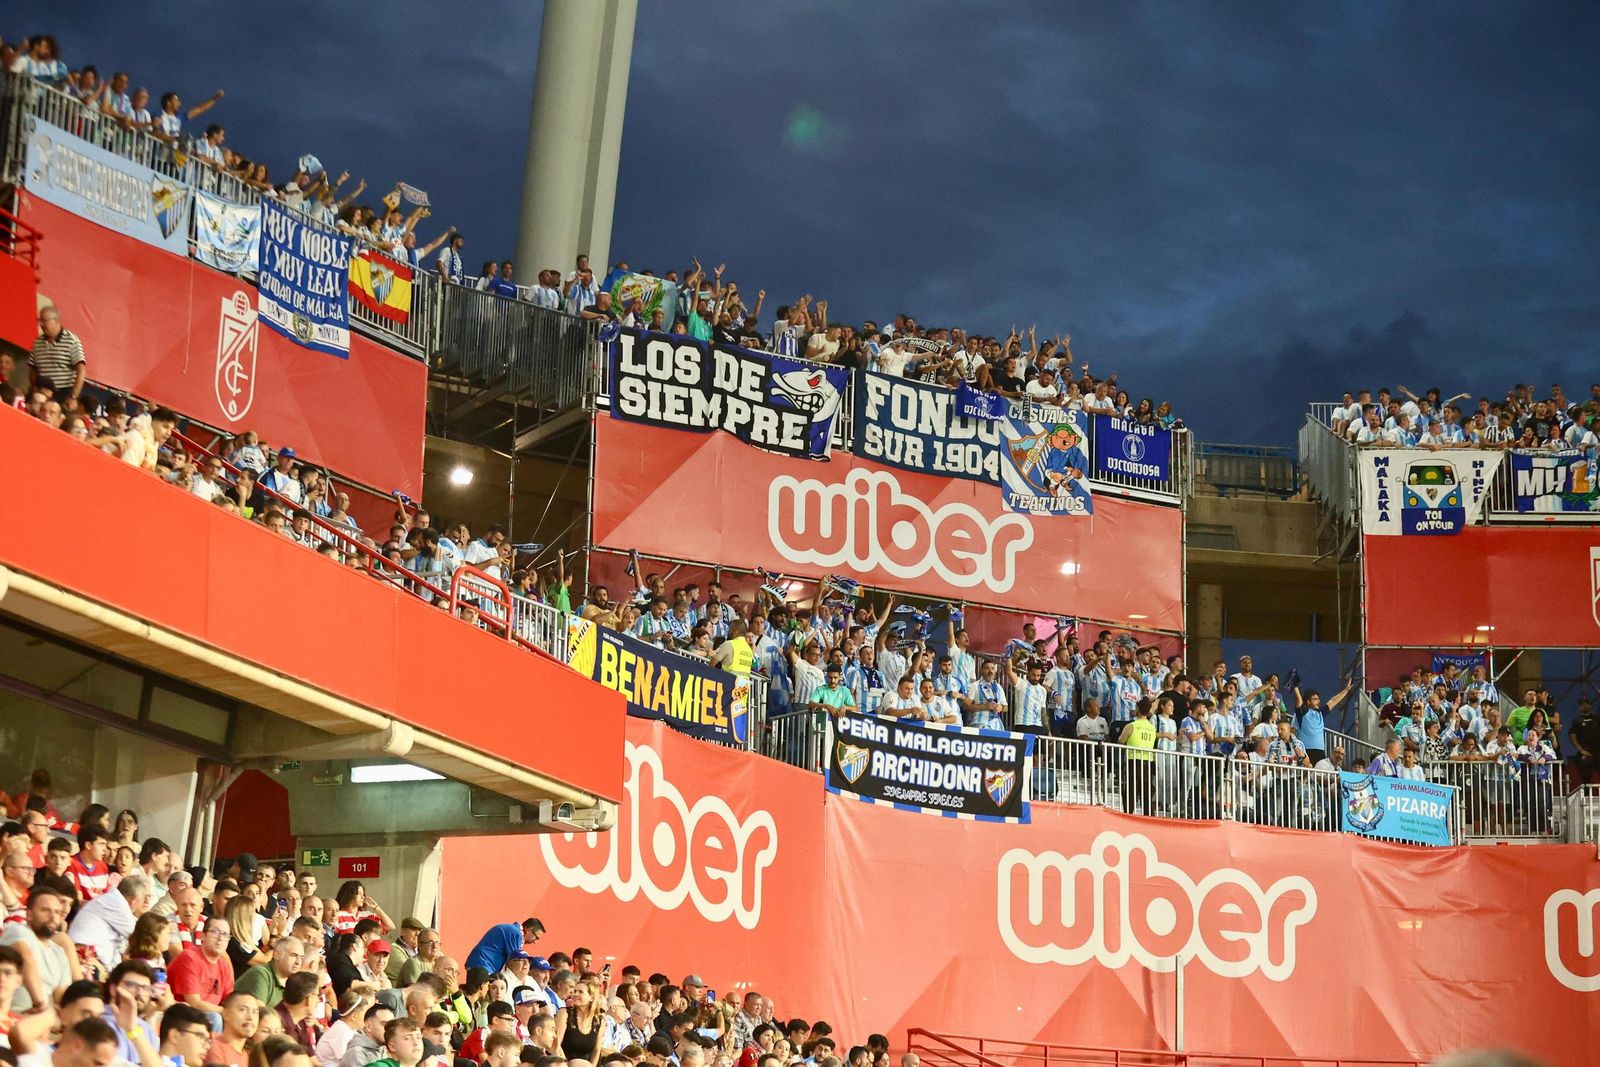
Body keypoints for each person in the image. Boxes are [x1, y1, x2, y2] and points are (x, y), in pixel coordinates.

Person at [0, 880, 73, 1011]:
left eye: (57, 912)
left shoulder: (59, 953)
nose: (53, 917)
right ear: (29, 915)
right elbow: (27, 960)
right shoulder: (17, 931)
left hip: (40, 1020)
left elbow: (61, 996)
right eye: (45, 910)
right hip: (12, 1014)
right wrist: (41, 1005)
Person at [169, 916, 236, 1016]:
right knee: (215, 1017)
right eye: (215, 932)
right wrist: (226, 1013)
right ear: (203, 936)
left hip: (208, 1017)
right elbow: (194, 1003)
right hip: (182, 1015)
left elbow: (229, 1002)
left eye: (225, 935)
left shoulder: (224, 965)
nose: (220, 938)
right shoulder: (189, 957)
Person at [29, 307, 88, 411]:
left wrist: (73, 397)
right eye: (39, 320)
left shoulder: (71, 340)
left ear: (56, 320)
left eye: (44, 321)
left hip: (64, 395)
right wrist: (34, 388)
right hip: (42, 394)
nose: (41, 324)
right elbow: (33, 368)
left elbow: (81, 371)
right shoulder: (38, 342)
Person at [464, 918, 544, 975]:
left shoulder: (513, 931)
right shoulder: (515, 933)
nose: (535, 942)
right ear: (529, 930)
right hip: (483, 965)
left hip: (482, 965)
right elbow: (514, 962)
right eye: (536, 937)